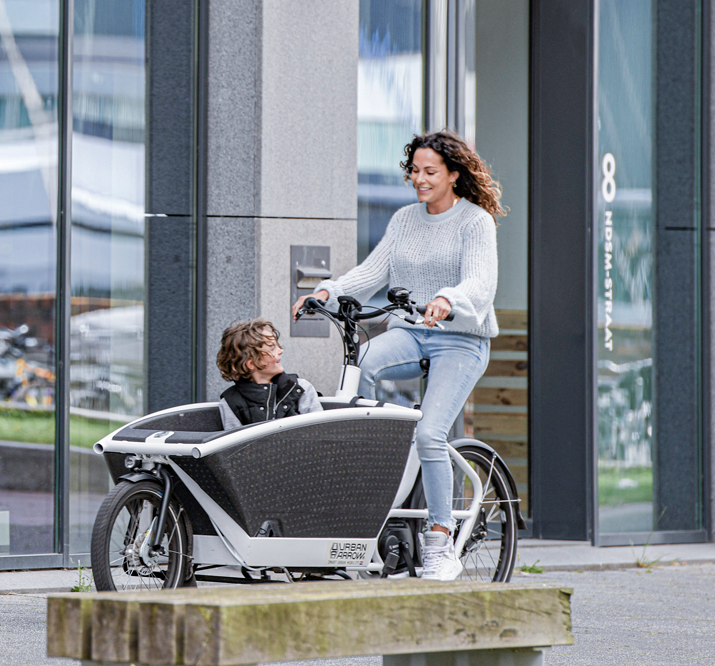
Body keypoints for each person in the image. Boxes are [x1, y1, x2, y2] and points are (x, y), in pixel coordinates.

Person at [292, 129, 502, 581]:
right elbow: (373, 270)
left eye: (430, 172)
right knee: (360, 364)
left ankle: (440, 540)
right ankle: (380, 460)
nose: (420, 179)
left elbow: (480, 282)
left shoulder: (475, 221)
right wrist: (328, 289)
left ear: (454, 174)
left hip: (460, 339)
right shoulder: (406, 219)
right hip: (410, 332)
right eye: (415, 171)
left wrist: (447, 299)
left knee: (430, 435)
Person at [214, 318, 320, 429]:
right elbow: (235, 444)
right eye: (272, 348)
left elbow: (318, 434)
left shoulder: (300, 387)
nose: (281, 350)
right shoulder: (230, 402)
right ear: (251, 363)